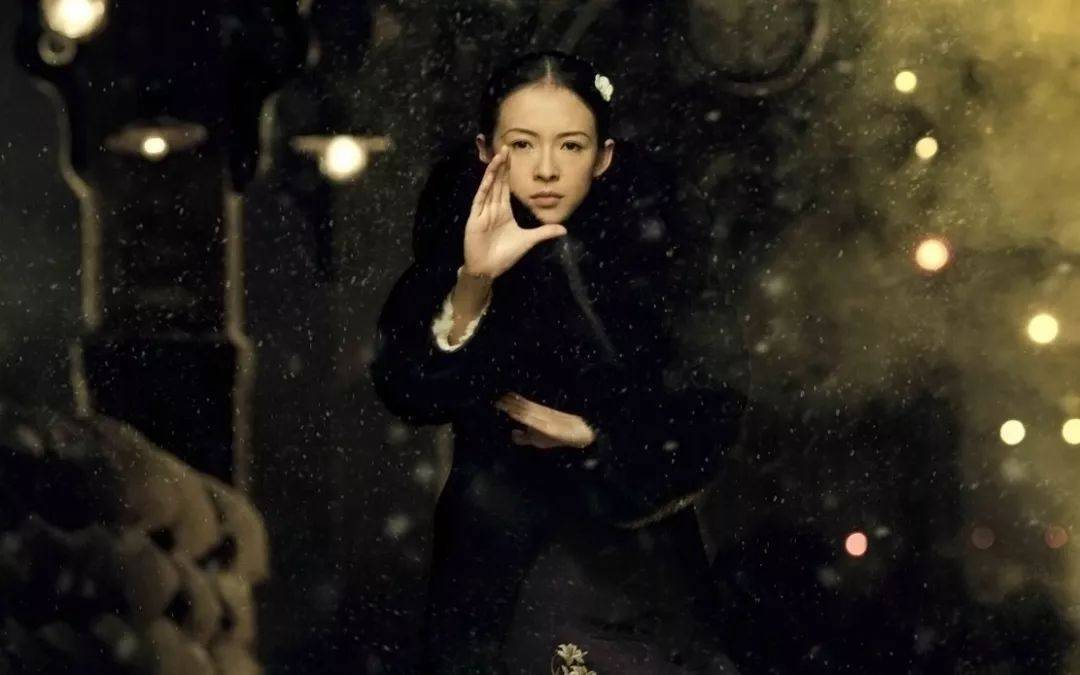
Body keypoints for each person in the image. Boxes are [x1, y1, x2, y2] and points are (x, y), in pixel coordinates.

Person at [370, 50, 749, 674]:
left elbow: (710, 415)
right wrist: (475, 280)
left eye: (571, 146)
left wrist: (598, 436)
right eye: (521, 144)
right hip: (500, 561)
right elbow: (409, 390)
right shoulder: (455, 244)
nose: (546, 169)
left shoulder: (659, 258)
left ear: (603, 156)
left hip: (640, 566)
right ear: (486, 150)